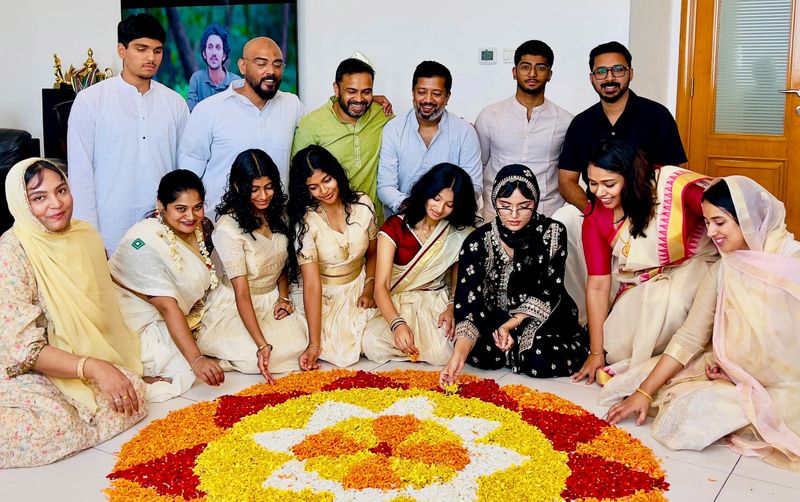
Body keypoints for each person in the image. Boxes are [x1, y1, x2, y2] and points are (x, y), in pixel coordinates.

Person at [602, 177, 800, 472]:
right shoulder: (724, 269)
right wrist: (643, 392)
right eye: (707, 223)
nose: (712, 233)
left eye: (719, 222)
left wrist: (745, 373)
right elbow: (690, 338)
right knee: (651, 398)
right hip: (735, 372)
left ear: (746, 218)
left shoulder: (791, 261)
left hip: (787, 382)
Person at [0, 158, 146, 468]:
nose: (56, 204)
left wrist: (106, 366)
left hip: (72, 357)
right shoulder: (11, 251)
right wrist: (94, 368)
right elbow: (22, 350)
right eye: (39, 198)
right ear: (21, 204)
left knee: (132, 393)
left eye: (61, 190)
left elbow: (101, 312)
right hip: (21, 364)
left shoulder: (85, 235)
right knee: (51, 426)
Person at [553, 41, 688, 325]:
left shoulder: (656, 115)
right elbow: (566, 180)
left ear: (630, 73)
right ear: (592, 78)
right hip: (597, 206)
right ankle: (588, 318)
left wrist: (635, 209)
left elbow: (674, 174)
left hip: (646, 209)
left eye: (617, 70)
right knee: (563, 221)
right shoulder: (582, 123)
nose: (609, 78)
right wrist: (594, 211)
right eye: (601, 71)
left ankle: (631, 317)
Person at [571, 140, 718, 385]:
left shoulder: (668, 187)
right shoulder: (595, 217)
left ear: (631, 177)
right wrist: (596, 353)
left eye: (609, 184)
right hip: (641, 282)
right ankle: (660, 358)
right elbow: (597, 285)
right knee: (616, 346)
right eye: (592, 183)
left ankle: (673, 360)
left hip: (695, 267)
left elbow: (725, 212)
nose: (599, 193)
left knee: (674, 301)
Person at [439, 164, 588, 387]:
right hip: (494, 316)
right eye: (505, 206)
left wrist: (513, 323)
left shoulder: (553, 233)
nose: (514, 216)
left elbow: (550, 289)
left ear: (535, 203)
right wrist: (456, 359)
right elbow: (469, 302)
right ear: (494, 203)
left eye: (524, 206)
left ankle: (519, 347)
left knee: (538, 358)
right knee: (481, 355)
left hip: (540, 315)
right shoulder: (477, 241)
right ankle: (506, 346)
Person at [68, 13, 189, 253]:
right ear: (121, 50)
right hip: (109, 231)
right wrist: (89, 238)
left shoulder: (175, 103)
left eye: (157, 50)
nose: (151, 57)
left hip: (162, 230)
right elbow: (80, 175)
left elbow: (184, 170)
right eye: (141, 49)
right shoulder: (91, 101)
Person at [109, 170, 224, 402]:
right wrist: (196, 360)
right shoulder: (142, 240)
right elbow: (167, 307)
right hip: (136, 319)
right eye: (180, 209)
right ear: (161, 205)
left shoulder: (204, 228)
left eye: (197, 207)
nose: (191, 216)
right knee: (182, 370)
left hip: (182, 312)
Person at [197, 149, 307, 380]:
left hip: (273, 297)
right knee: (255, 356)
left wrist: (284, 298)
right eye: (254, 189)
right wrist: (260, 345)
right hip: (238, 303)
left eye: (269, 187)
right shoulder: (228, 228)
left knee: (298, 344)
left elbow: (280, 263)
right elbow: (242, 294)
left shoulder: (277, 212)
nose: (263, 196)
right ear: (238, 186)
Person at [363, 163, 478, 365]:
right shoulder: (395, 226)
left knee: (444, 350)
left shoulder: (459, 233)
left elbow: (457, 281)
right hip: (397, 299)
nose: (440, 208)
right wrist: (397, 325)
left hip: (434, 299)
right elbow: (380, 286)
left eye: (449, 205)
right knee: (372, 344)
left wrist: (451, 308)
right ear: (426, 192)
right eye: (436, 198)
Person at [180, 36, 305, 217]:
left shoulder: (292, 105)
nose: (271, 71)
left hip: (276, 228)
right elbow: (187, 176)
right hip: (220, 227)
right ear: (242, 66)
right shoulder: (208, 110)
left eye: (277, 65)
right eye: (261, 64)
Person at [288, 145, 378, 369]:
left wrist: (370, 286)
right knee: (338, 353)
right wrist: (314, 343)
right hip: (325, 293)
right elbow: (311, 283)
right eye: (314, 187)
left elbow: (374, 251)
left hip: (362, 283)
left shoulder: (362, 204)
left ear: (336, 173)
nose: (324, 190)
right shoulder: (306, 221)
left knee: (379, 342)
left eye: (327, 180)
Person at [475, 40, 572, 219]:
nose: (532, 73)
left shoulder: (565, 121)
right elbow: (478, 166)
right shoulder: (490, 115)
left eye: (540, 68)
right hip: (496, 213)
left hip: (546, 214)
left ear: (549, 74)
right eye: (525, 67)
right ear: (514, 72)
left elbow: (568, 173)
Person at [292, 57, 394, 223]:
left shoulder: (382, 115)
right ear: (336, 89)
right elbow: (298, 178)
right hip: (329, 227)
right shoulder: (311, 124)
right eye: (351, 91)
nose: (359, 99)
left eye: (366, 92)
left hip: (373, 222)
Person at [377, 60, 482, 217]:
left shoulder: (465, 132)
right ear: (413, 93)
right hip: (404, 218)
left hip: (450, 223)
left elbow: (473, 187)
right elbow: (385, 186)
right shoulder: (394, 129)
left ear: (447, 97)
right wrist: (413, 208)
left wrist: (442, 208)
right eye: (421, 92)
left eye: (436, 94)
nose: (428, 100)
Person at [186, 24, 240, 111]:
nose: (214, 52)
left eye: (218, 47)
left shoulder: (236, 82)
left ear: (224, 55)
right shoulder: (197, 79)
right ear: (204, 53)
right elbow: (189, 110)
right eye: (210, 47)